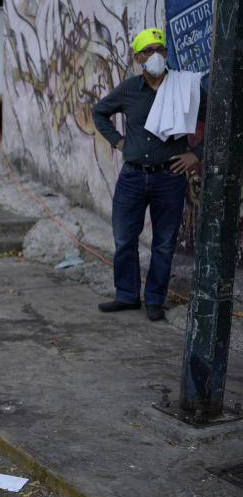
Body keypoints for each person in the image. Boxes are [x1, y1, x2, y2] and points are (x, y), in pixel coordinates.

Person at [92, 27, 206, 321]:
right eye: (148, 51)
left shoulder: (184, 87)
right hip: (132, 176)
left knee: (165, 243)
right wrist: (117, 141)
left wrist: (196, 153)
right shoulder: (129, 89)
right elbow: (99, 112)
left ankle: (155, 299)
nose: (155, 56)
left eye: (160, 50)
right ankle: (127, 296)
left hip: (168, 177)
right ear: (137, 57)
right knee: (124, 238)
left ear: (166, 53)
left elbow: (219, 117)